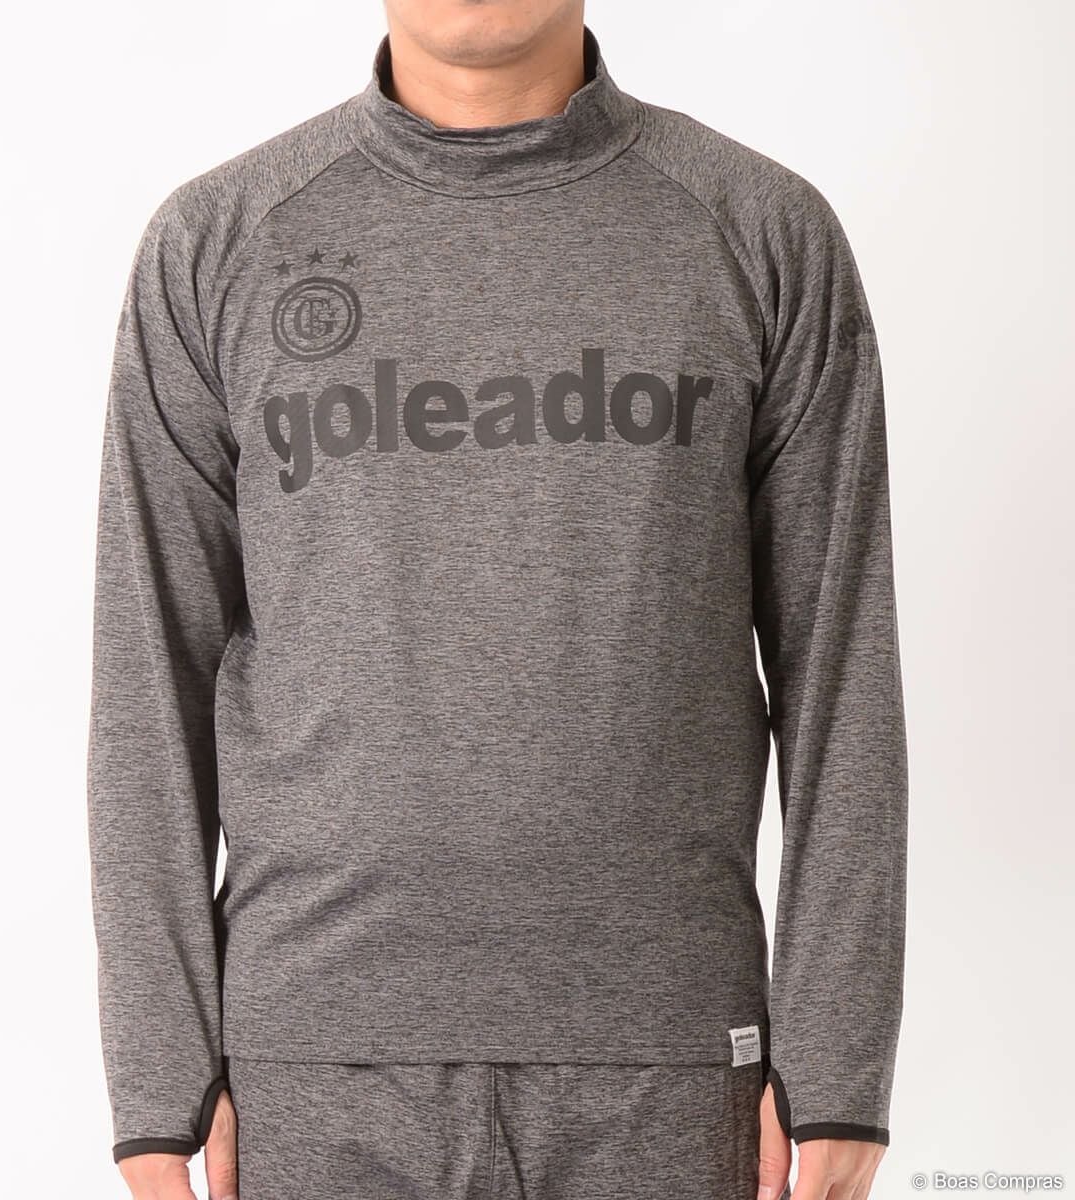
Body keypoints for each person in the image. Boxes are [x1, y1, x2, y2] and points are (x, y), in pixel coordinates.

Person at [85, 2, 909, 1198]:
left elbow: (842, 671)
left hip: (672, 1064)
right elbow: (147, 671)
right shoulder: (221, 241)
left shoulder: (759, 230)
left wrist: (839, 1065)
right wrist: (156, 1083)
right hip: (312, 1070)